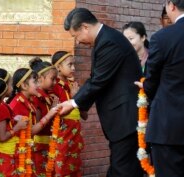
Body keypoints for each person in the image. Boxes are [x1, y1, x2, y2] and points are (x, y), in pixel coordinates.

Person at [59, 8, 143, 177]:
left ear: (84, 27)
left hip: (124, 119)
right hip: (122, 120)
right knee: (120, 168)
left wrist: (74, 103)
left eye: (76, 36)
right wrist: (82, 105)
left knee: (122, 170)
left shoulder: (109, 42)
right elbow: (97, 78)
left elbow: (98, 80)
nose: (77, 42)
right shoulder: (105, 39)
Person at [134, 1, 184, 177]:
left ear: (171, 5)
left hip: (169, 128)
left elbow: (151, 82)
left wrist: (145, 85)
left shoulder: (163, 37)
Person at [7, 68, 59, 176]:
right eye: (35, 82)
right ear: (24, 86)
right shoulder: (18, 104)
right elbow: (30, 132)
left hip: (26, 149)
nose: (38, 84)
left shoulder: (28, 101)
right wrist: (49, 115)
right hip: (17, 152)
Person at [0, 68, 28, 177]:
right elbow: (2, 137)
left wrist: (13, 119)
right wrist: (18, 127)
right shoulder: (1, 107)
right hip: (1, 155)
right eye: (11, 85)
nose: (13, 88)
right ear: (3, 86)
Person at [51, 51, 88, 177]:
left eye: (74, 64)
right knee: (60, 170)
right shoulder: (53, 86)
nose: (73, 68)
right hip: (62, 137)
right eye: (69, 64)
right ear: (58, 67)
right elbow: (53, 114)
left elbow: (85, 115)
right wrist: (73, 97)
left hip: (75, 137)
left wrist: (78, 97)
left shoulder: (74, 85)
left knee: (74, 169)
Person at [29, 57, 58, 176]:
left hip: (49, 145)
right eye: (52, 79)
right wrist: (52, 111)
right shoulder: (36, 98)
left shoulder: (47, 96)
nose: (55, 82)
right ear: (40, 79)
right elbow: (37, 125)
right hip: (39, 147)